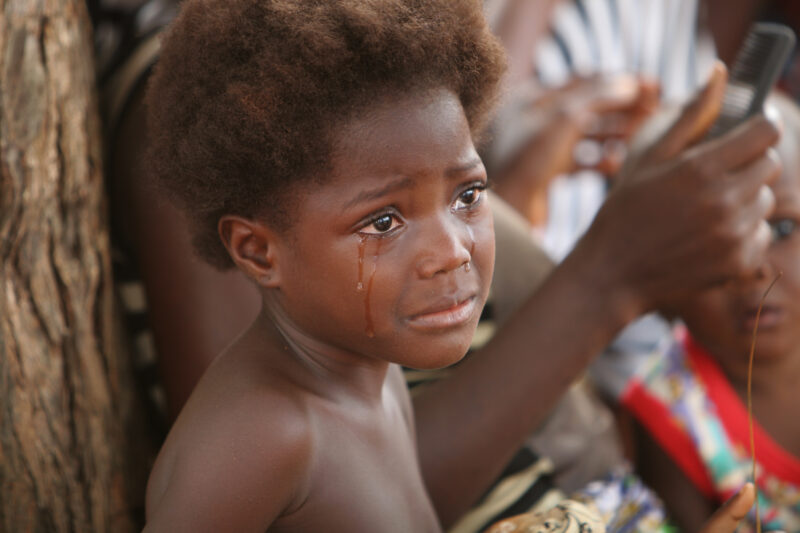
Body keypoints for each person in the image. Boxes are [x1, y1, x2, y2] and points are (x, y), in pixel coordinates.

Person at [133, 0, 780, 530]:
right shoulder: (263, 437)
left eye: (468, 195)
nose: (452, 250)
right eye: (383, 222)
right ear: (257, 251)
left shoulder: (374, 371)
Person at [610, 93, 800, 532]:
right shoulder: (668, 413)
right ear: (658, 286)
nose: (751, 267)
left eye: (783, 228)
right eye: (713, 248)